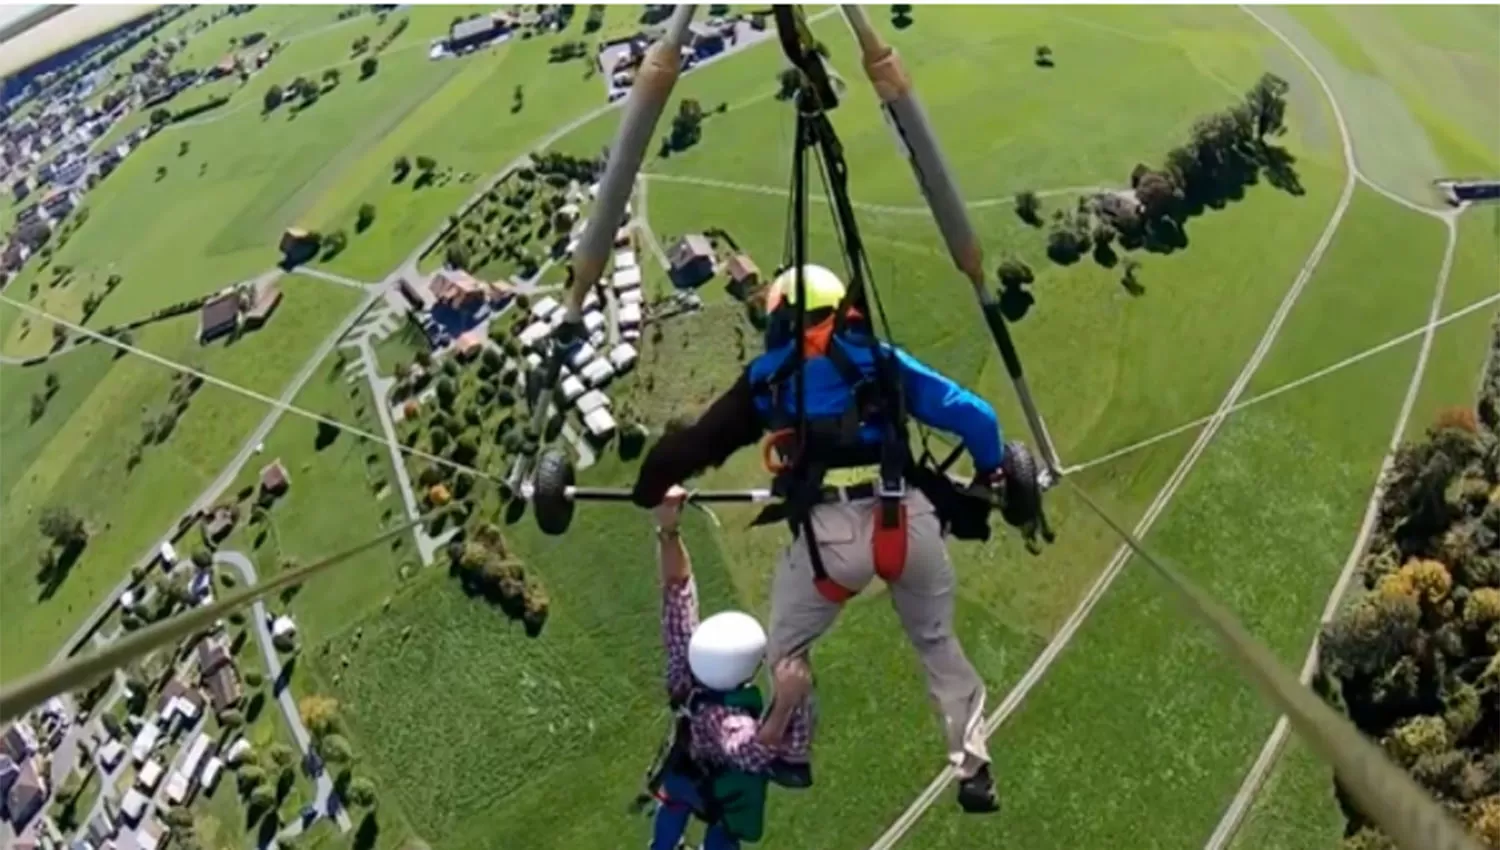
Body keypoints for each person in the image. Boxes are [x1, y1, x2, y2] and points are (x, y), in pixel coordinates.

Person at [632, 264, 1037, 814]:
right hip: (906, 525)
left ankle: (791, 749)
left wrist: (650, 487)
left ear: (778, 318)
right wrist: (994, 474)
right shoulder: (881, 360)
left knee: (786, 647)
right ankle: (973, 766)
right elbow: (976, 417)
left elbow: (693, 447)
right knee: (937, 644)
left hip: (831, 545)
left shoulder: (767, 378)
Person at [644, 485, 814, 850]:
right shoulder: (727, 719)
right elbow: (753, 751)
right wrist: (785, 702)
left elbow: (677, 590)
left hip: (685, 775)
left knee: (673, 810)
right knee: (724, 833)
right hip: (724, 793)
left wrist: (668, 527)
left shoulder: (683, 672)